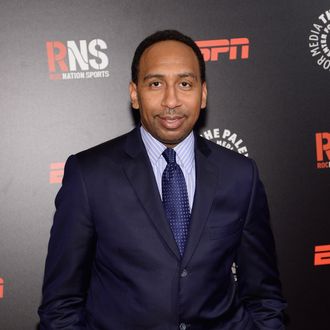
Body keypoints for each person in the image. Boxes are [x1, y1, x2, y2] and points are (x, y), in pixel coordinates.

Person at [38, 30, 286, 330]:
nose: (171, 100)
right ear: (134, 94)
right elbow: (61, 305)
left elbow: (264, 296)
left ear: (203, 93)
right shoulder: (89, 175)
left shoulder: (240, 175)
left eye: (185, 84)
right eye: (156, 83)